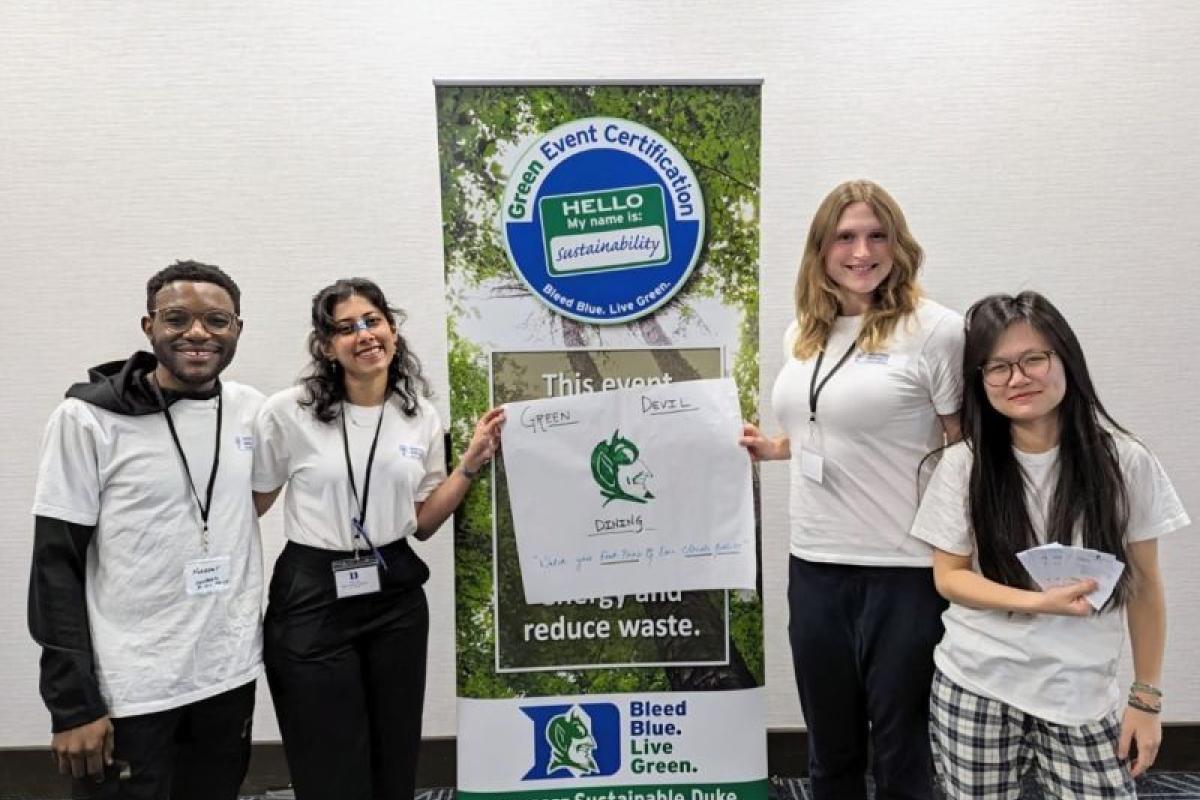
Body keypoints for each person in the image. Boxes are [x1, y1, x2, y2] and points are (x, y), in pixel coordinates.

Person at [910, 292, 1189, 798]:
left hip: (1080, 692)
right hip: (977, 684)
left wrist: (1146, 699)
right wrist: (1037, 603)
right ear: (980, 381)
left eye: (1033, 358)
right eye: (997, 367)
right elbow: (949, 577)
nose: (1017, 378)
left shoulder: (1125, 462)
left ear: (1066, 360)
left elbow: (1145, 586)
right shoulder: (962, 465)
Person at [741, 180, 963, 800]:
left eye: (876, 235)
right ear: (822, 250)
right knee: (830, 746)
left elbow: (962, 448)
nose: (861, 251)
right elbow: (822, 429)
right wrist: (773, 448)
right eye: (845, 236)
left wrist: (963, 555)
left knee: (901, 749)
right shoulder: (803, 335)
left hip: (904, 568)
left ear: (898, 244)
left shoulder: (936, 330)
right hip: (814, 564)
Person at [252, 277, 503, 800]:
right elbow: (253, 500)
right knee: (327, 747)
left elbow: (424, 521)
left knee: (395, 747)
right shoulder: (288, 411)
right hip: (313, 590)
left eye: (373, 321)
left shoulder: (419, 416)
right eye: (346, 328)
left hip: (393, 591)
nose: (364, 335)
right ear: (326, 347)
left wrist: (471, 464)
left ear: (392, 328)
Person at [29, 260, 264, 799]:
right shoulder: (86, 420)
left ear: (237, 330)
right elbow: (54, 565)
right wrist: (72, 705)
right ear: (149, 326)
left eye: (217, 321)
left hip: (227, 678)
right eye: (177, 318)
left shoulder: (251, 410)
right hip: (130, 689)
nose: (198, 333)